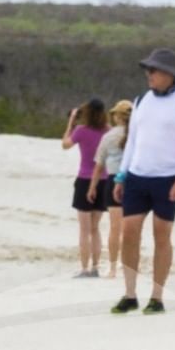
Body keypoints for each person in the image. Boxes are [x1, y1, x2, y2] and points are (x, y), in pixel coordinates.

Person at [111, 48, 175, 315]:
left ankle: (157, 296)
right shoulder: (140, 101)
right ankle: (129, 293)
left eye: (154, 70)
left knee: (161, 234)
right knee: (129, 232)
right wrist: (121, 175)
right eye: (147, 70)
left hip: (168, 178)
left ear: (169, 74)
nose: (149, 74)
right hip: (138, 176)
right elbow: (132, 141)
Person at [63, 97, 111, 277]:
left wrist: (71, 123)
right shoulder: (108, 131)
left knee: (84, 230)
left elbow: (65, 144)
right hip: (104, 180)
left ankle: (84, 268)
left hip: (85, 180)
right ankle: (95, 267)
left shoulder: (81, 131)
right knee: (95, 228)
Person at [89, 99, 133, 276]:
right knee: (132, 228)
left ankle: (113, 267)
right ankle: (130, 265)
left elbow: (99, 165)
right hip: (135, 181)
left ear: (117, 117)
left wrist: (92, 187)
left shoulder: (109, 136)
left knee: (115, 228)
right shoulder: (138, 135)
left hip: (114, 179)